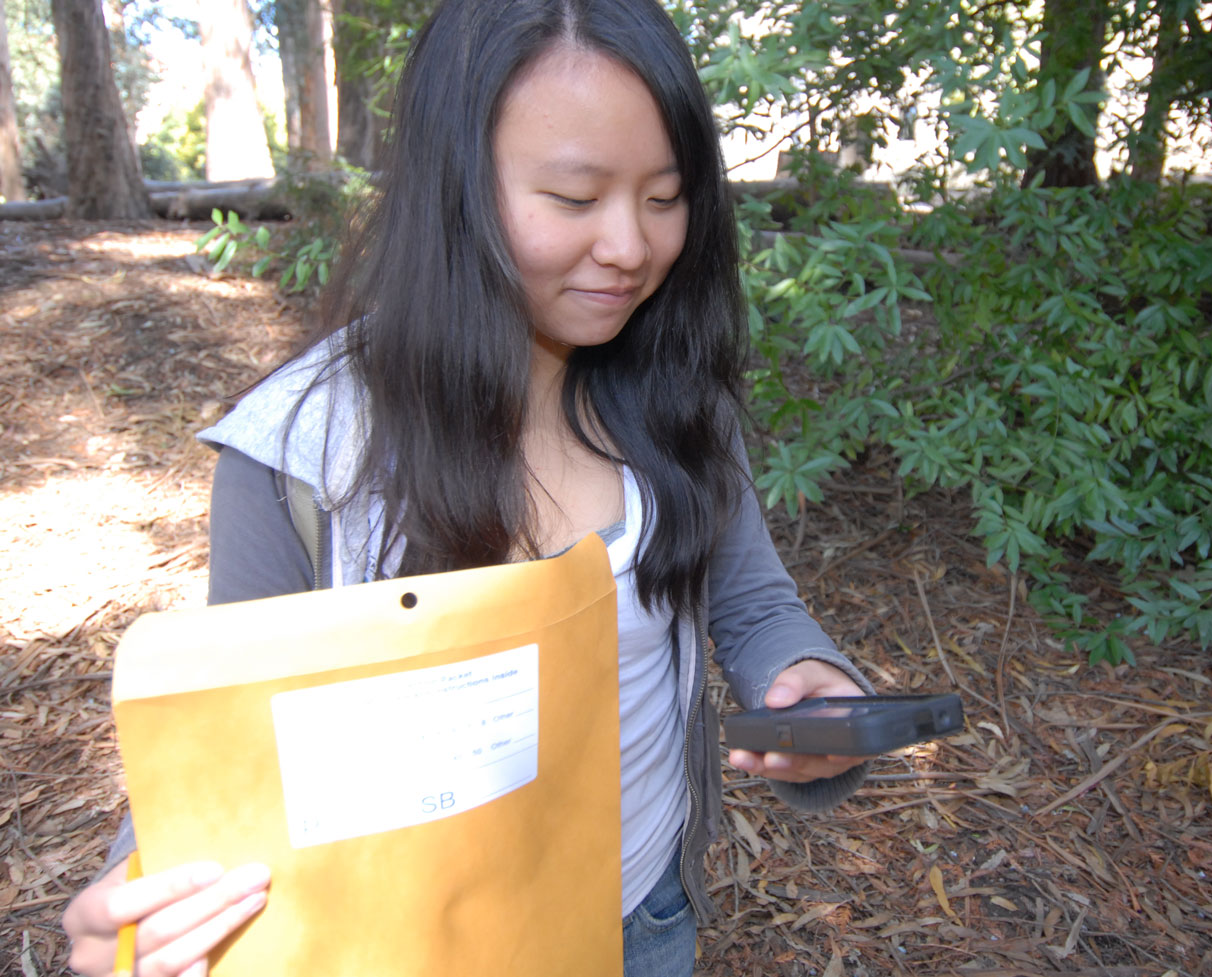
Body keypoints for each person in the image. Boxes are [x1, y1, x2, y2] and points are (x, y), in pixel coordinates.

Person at [62, 0, 874, 974]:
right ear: (454, 190)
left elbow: (748, 602)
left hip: (642, 912)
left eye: (664, 196)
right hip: (413, 944)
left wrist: (812, 684)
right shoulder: (302, 459)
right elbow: (229, 745)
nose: (629, 245)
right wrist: (139, 895)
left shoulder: (673, 398)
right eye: (575, 198)